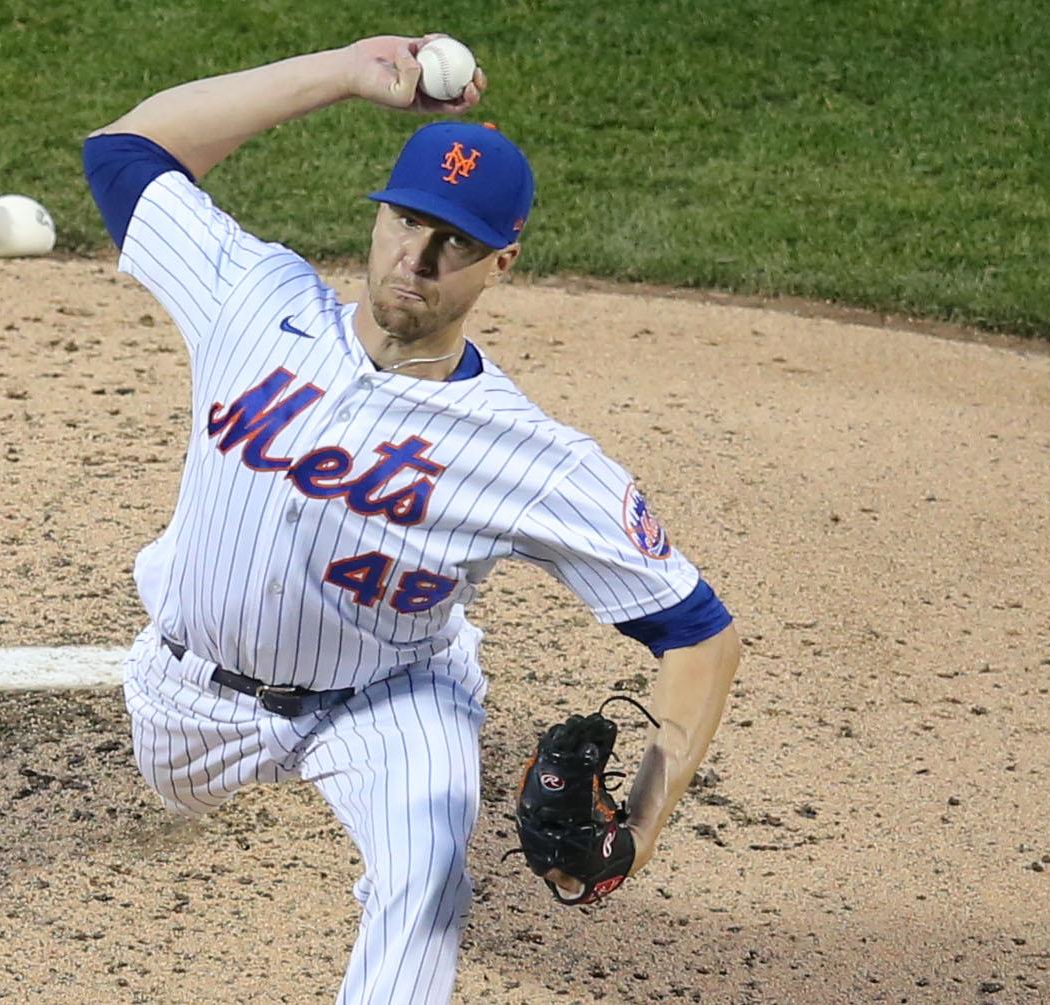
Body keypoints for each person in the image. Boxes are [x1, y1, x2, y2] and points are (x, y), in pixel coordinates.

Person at [82, 33, 742, 1005]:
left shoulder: (526, 455)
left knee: (429, 870)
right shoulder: (253, 297)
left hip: (389, 700)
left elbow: (700, 634)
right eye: (405, 222)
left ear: (501, 262)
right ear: (380, 214)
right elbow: (124, 154)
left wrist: (639, 829)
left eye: (455, 244)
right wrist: (346, 73)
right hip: (190, 699)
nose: (416, 259)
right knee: (182, 790)